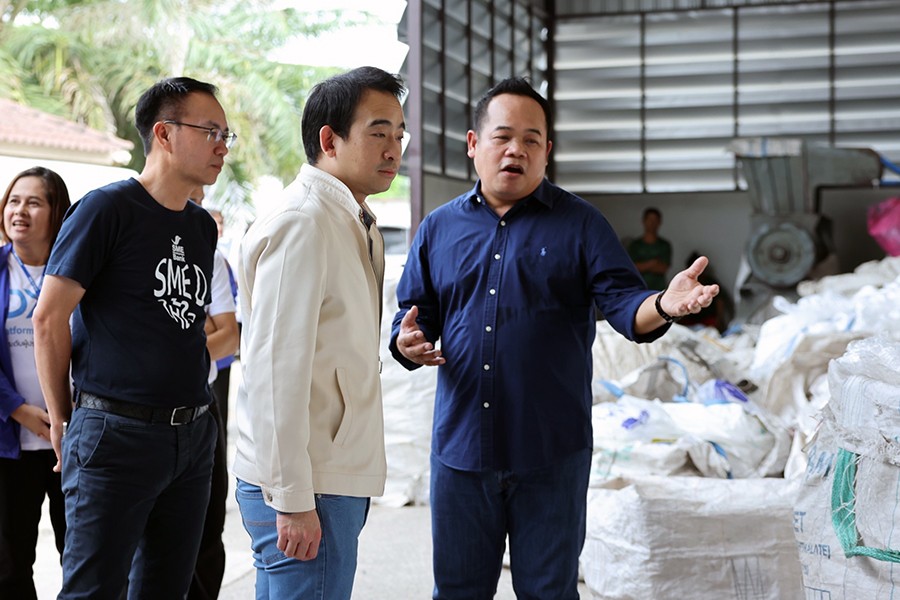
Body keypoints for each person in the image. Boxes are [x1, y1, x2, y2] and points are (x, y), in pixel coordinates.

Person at [389, 77, 719, 599]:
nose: (516, 150)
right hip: (462, 450)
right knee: (457, 591)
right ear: (474, 144)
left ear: (547, 151)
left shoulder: (581, 225)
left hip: (550, 452)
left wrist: (663, 303)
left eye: (531, 139)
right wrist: (405, 342)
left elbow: (625, 306)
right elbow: (415, 315)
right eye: (502, 136)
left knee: (549, 592)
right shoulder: (438, 229)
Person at [32, 76, 233, 599]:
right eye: (210, 131)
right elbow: (48, 319)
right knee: (94, 590)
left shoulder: (201, 227)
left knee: (168, 589)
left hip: (193, 432)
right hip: (115, 433)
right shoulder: (106, 209)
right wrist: (62, 420)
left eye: (226, 135)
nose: (222, 146)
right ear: (164, 134)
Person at [231, 65, 405, 599]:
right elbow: (274, 371)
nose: (394, 149)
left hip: (323, 476)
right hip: (309, 484)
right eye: (379, 133)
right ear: (330, 140)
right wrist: (291, 498)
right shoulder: (304, 222)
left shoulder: (348, 218)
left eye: (399, 135)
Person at [0, 167, 71, 599]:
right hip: (9, 442)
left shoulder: (80, 272)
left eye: (33, 202)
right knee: (8, 568)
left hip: (73, 441)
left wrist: (67, 414)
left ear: (56, 212)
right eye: (13, 201)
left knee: (82, 559)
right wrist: (16, 408)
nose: (19, 211)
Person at [188, 189, 239, 600]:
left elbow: (229, 336)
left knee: (206, 524)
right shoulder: (125, 235)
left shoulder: (212, 257)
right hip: (139, 413)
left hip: (202, 400)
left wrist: (184, 337)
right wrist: (200, 326)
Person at [204, 206, 239, 437]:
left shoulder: (217, 259)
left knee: (220, 425)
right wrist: (205, 322)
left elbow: (229, 336)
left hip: (215, 367)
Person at [628, 207, 672, 290]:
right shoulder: (635, 245)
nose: (652, 223)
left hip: (658, 289)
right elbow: (632, 267)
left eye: (655, 220)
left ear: (659, 222)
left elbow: (663, 268)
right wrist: (652, 263)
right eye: (649, 220)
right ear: (644, 221)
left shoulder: (664, 245)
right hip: (638, 288)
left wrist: (643, 265)